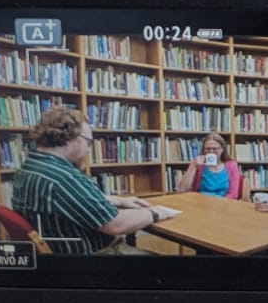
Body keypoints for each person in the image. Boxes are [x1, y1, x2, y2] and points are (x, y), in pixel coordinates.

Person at [9, 105, 174, 253]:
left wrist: (119, 201)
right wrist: (156, 212)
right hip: (94, 258)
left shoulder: (31, 166)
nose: (89, 151)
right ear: (70, 139)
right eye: (88, 143)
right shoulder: (63, 178)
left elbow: (70, 201)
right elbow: (116, 225)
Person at [176, 131, 244, 200]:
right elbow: (182, 190)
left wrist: (219, 204)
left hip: (223, 204)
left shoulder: (231, 165)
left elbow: (233, 194)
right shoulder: (199, 164)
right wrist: (193, 166)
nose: (211, 151)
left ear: (222, 149)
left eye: (215, 148)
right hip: (200, 203)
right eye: (208, 148)